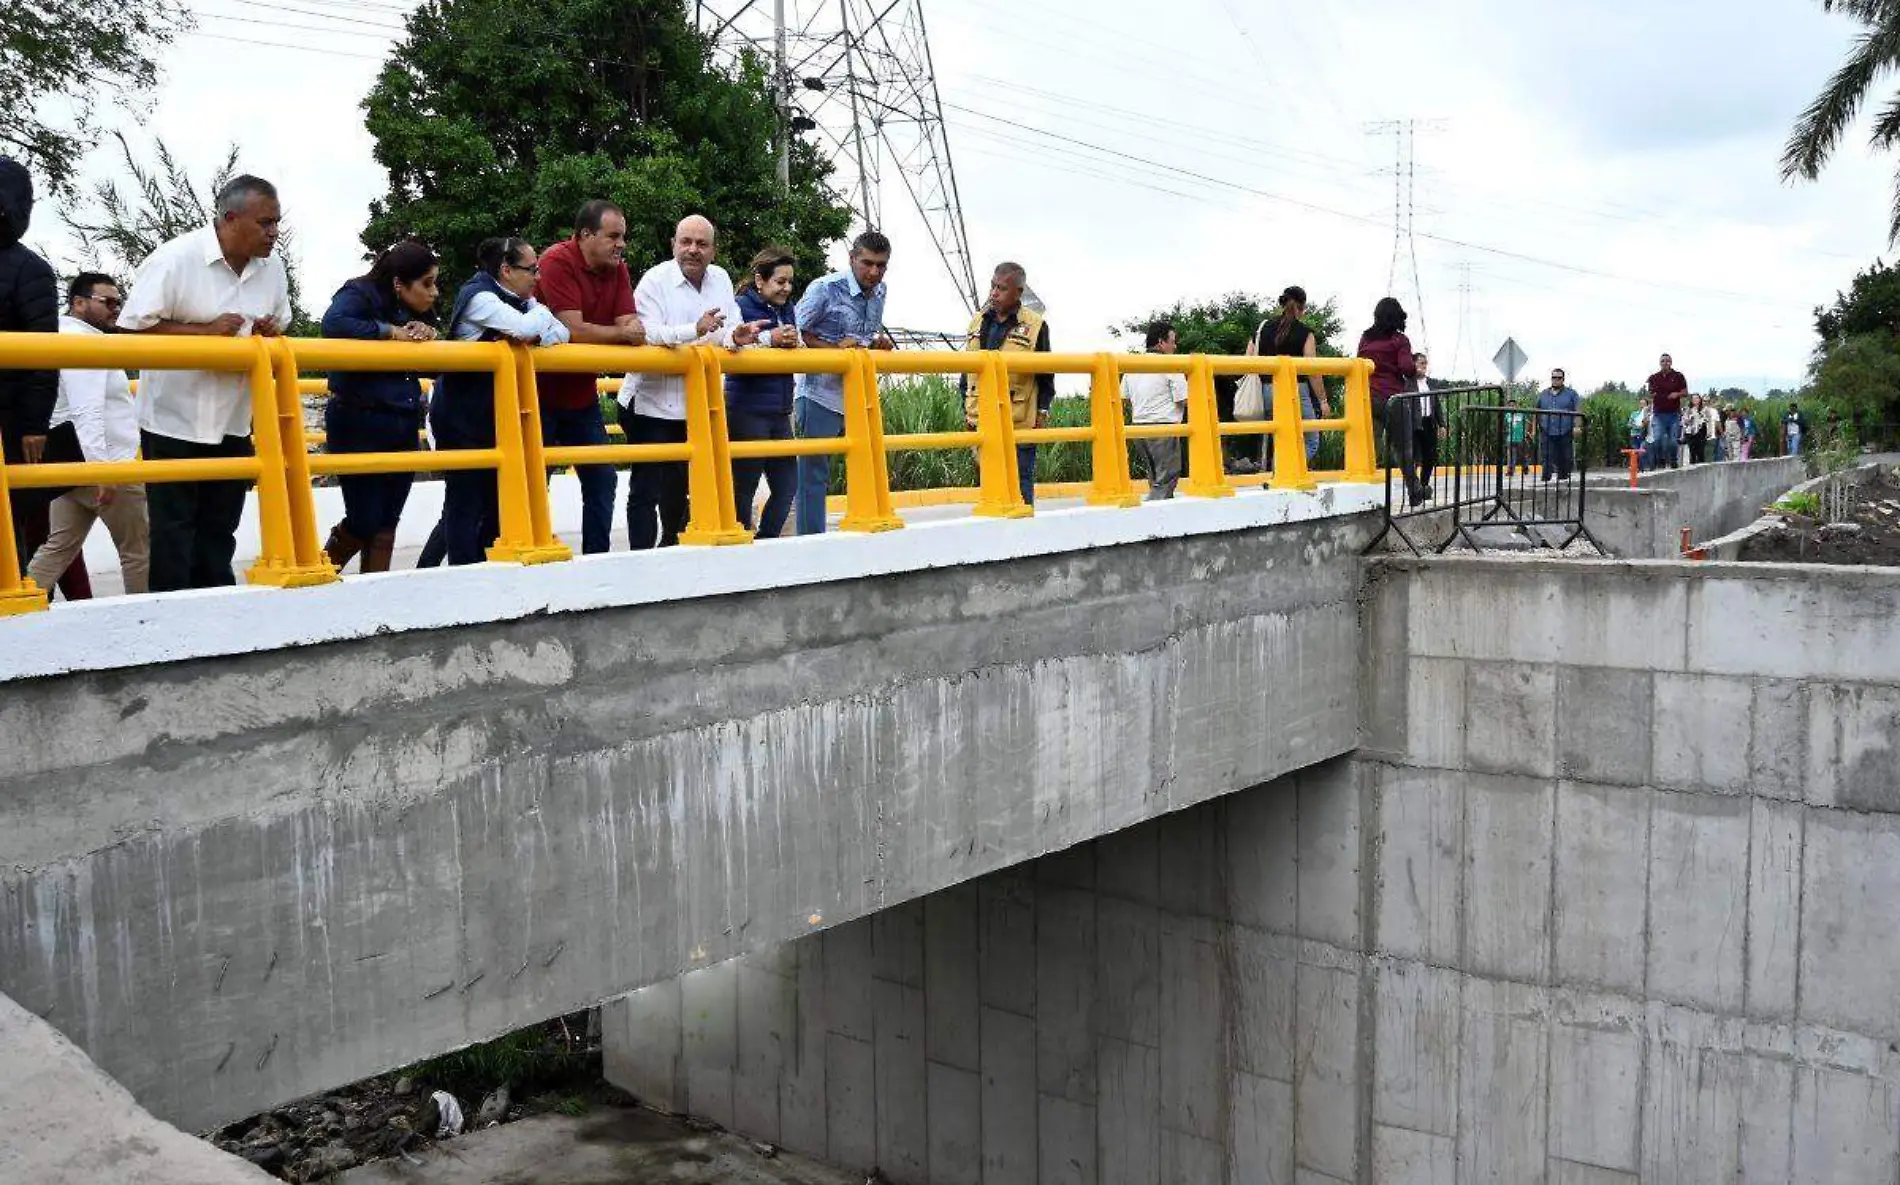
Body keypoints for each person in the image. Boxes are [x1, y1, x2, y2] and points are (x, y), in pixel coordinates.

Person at [117, 175, 291, 592]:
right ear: (230, 219)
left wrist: (268, 335)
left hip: (234, 418)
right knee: (174, 532)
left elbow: (282, 328)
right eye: (265, 223)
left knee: (220, 528)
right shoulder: (174, 259)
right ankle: (170, 625)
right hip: (173, 419)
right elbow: (127, 337)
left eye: (277, 223)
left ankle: (219, 617)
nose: (274, 233)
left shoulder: (274, 270)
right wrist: (202, 334)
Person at [621, 214, 768, 549]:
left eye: (702, 244)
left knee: (680, 491)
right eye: (685, 242)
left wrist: (738, 335)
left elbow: (728, 329)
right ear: (673, 244)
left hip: (695, 405)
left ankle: (672, 553)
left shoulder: (720, 279)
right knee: (646, 489)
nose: (692, 250)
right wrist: (694, 330)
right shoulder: (655, 280)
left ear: (713, 250)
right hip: (650, 401)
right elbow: (647, 333)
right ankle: (639, 562)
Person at [433, 236, 569, 565]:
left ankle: (474, 568)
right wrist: (539, 321)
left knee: (493, 503)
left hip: (493, 418)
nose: (538, 277)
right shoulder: (479, 297)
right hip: (460, 416)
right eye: (531, 270)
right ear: (506, 270)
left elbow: (562, 333)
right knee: (464, 502)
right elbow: (525, 329)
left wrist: (535, 323)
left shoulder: (517, 300)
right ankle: (461, 574)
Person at [318, 239, 439, 574]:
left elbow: (433, 350)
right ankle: (319, 574)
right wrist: (390, 332)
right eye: (427, 284)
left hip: (400, 418)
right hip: (358, 418)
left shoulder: (412, 308)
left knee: (387, 520)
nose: (434, 293)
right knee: (364, 518)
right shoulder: (358, 294)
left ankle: (376, 592)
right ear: (399, 282)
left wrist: (424, 332)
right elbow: (334, 325)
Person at [534, 200, 645, 555]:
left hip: (581, 395)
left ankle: (596, 562)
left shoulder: (619, 269)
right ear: (585, 235)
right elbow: (572, 329)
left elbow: (628, 323)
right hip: (537, 395)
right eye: (613, 236)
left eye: (623, 237)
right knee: (534, 483)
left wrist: (628, 329)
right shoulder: (556, 260)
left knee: (601, 479)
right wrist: (623, 333)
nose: (621, 244)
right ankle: (530, 558)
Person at [26, 272, 147, 596]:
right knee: (138, 551)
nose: (115, 309)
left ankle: (16, 608)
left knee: (58, 547)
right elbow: (87, 409)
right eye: (106, 301)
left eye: (118, 303)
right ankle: (146, 622)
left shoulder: (56, 335)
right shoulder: (84, 341)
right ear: (78, 303)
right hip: (107, 463)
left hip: (70, 464)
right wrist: (101, 469)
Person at [0, 156, 72, 594]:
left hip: (10, 419)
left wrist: (33, 425)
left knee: (9, 520)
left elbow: (43, 354)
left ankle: (12, 605)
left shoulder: (32, 270)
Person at [794, 231, 892, 535]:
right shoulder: (824, 288)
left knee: (866, 463)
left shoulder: (881, 292)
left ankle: (865, 530)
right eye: (867, 264)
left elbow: (863, 337)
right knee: (814, 473)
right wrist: (836, 353)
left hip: (858, 394)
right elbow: (796, 334)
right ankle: (811, 543)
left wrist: (876, 345)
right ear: (852, 259)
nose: (874, 272)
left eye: (881, 265)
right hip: (819, 393)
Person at [963, 262, 1054, 506]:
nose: (994, 293)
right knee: (988, 486)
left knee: (1020, 486)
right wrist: (965, 406)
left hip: (1019, 420)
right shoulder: (977, 321)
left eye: (1001, 288)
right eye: (993, 286)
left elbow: (1046, 374)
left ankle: (1024, 539)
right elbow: (966, 370)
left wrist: (1043, 411)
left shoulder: (1035, 325)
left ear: (1018, 292)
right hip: (980, 418)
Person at [727, 246, 802, 537]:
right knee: (743, 487)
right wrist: (769, 339)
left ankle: (766, 540)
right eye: (780, 281)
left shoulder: (788, 309)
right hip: (747, 409)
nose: (787, 288)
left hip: (780, 410)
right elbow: (730, 345)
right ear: (760, 280)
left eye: (790, 282)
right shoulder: (740, 306)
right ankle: (741, 541)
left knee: (787, 486)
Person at [1253, 285, 1331, 461]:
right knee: (1311, 440)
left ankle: (1278, 471)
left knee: (1278, 437)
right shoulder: (1305, 332)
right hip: (1296, 390)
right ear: (1302, 307)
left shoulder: (1263, 328)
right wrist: (1323, 401)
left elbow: (1249, 358)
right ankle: (1290, 470)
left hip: (1267, 390)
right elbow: (1312, 370)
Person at [1356, 297, 1419, 503]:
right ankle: (1414, 491)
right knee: (1403, 448)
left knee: (1369, 446)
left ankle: (1362, 495)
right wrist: (1413, 368)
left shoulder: (1366, 338)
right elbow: (1407, 369)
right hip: (1394, 400)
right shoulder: (1400, 340)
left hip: (1369, 397)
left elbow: (1358, 363)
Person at [1123, 320, 1188, 500]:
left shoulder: (1132, 364)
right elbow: (1185, 399)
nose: (1175, 346)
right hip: (1163, 427)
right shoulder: (1170, 364)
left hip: (1139, 428)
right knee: (1166, 479)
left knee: (1154, 478)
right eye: (1172, 341)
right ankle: (1155, 520)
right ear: (1161, 342)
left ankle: (1159, 514)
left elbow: (1125, 397)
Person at [1537, 367, 1582, 481]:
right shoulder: (1544, 394)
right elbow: (1536, 411)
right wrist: (1533, 428)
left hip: (1565, 431)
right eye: (1554, 377)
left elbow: (1578, 411)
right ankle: (1545, 482)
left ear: (1563, 379)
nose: (1556, 380)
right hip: (1547, 430)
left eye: (1558, 378)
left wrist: (1577, 426)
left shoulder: (1571, 394)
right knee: (1546, 457)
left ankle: (1563, 480)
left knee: (1565, 458)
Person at [1645, 353, 1687, 470]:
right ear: (1660, 363)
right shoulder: (1654, 377)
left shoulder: (1678, 376)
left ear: (1671, 362)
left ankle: (1673, 460)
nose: (1665, 363)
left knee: (1673, 441)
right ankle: (1660, 460)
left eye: (1667, 361)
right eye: (1663, 361)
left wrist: (1677, 394)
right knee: (1657, 439)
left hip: (1673, 414)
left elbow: (1685, 392)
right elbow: (1650, 392)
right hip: (1659, 414)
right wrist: (1655, 394)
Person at [1411, 352, 1440, 497]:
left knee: (1430, 456)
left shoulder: (1431, 383)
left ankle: (1423, 486)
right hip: (1414, 423)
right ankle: (1413, 488)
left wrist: (1442, 424)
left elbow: (1437, 404)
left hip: (1428, 421)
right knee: (1415, 457)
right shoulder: (1408, 382)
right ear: (1414, 364)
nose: (1423, 366)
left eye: (1425, 363)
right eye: (1420, 362)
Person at [1506, 396, 1534, 476]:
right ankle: (1510, 470)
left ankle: (1525, 468)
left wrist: (1528, 432)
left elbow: (1529, 422)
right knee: (1511, 456)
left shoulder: (1521, 414)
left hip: (1521, 437)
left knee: (1523, 455)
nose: (1512, 407)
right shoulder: (1507, 415)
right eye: (1510, 405)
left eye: (1513, 405)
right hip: (1510, 438)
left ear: (1516, 405)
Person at [1684, 394, 1709, 465]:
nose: (1695, 400)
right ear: (1691, 400)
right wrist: (1689, 418)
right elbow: (1685, 422)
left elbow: (1708, 420)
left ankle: (1702, 468)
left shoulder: (1705, 409)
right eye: (1693, 398)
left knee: (1700, 452)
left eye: (1697, 398)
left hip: (1701, 431)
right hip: (1690, 432)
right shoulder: (1688, 409)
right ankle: (1692, 469)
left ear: (1700, 399)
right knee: (1692, 452)